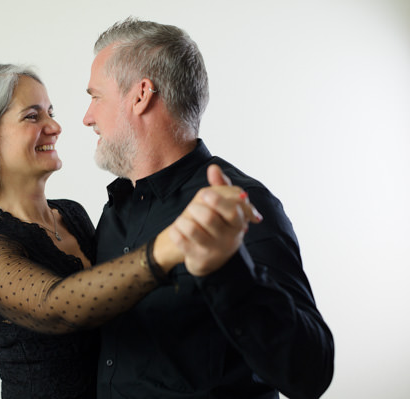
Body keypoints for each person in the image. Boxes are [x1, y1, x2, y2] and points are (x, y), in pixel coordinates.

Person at [0, 64, 259, 398]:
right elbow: (58, 305)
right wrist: (170, 245)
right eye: (32, 117)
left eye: (51, 112)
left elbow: (117, 298)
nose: (55, 126)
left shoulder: (71, 214)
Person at [83, 18, 335, 399]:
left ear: (140, 95)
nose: (87, 117)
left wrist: (229, 268)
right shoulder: (114, 213)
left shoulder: (237, 204)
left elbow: (310, 373)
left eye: (96, 96)